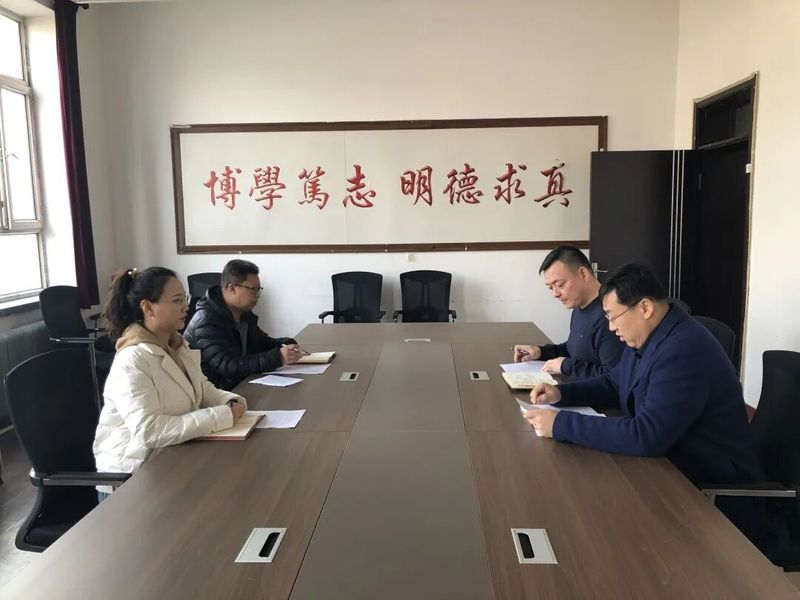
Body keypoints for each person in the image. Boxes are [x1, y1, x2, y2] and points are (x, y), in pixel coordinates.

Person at [523, 263, 782, 559]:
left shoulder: (684, 350)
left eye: (613, 317)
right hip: (673, 464)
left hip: (712, 487)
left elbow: (647, 435)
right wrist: (561, 394)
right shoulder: (652, 335)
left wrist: (561, 425)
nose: (611, 327)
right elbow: (614, 381)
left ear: (644, 308)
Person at [94, 267, 246, 500]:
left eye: (185, 299)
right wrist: (222, 415)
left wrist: (231, 401)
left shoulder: (176, 344)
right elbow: (150, 430)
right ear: (148, 307)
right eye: (177, 301)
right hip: (131, 482)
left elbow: (202, 388)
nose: (186, 307)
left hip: (170, 463)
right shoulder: (132, 360)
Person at [183, 259, 305, 390]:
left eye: (259, 289)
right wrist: (278, 357)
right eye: (252, 289)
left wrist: (286, 343)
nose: (257, 295)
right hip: (216, 394)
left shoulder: (244, 314)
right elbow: (228, 366)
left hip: (239, 386)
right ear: (232, 288)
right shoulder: (206, 321)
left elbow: (261, 343)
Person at [513, 245, 624, 379]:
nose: (555, 294)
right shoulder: (580, 305)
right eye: (551, 288)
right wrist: (541, 352)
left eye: (560, 285)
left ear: (583, 274)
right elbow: (575, 350)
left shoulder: (610, 313)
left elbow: (614, 377)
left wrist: (566, 366)